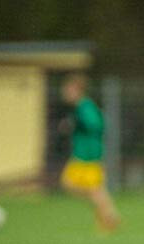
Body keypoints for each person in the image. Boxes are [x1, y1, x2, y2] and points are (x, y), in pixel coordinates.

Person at [59, 73, 120, 231]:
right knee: (88, 189)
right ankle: (108, 215)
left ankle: (109, 217)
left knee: (84, 188)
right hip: (83, 154)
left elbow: (96, 124)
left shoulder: (84, 106)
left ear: (77, 90)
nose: (65, 93)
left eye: (68, 89)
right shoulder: (80, 107)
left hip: (88, 155)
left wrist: (75, 124)